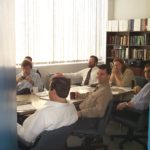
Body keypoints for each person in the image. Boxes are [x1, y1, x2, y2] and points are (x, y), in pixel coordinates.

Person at [17, 77, 78, 143]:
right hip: (54, 144)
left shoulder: (44, 114)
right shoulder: (72, 107)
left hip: (31, 143)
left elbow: (26, 138)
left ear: (53, 92)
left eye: (49, 89)